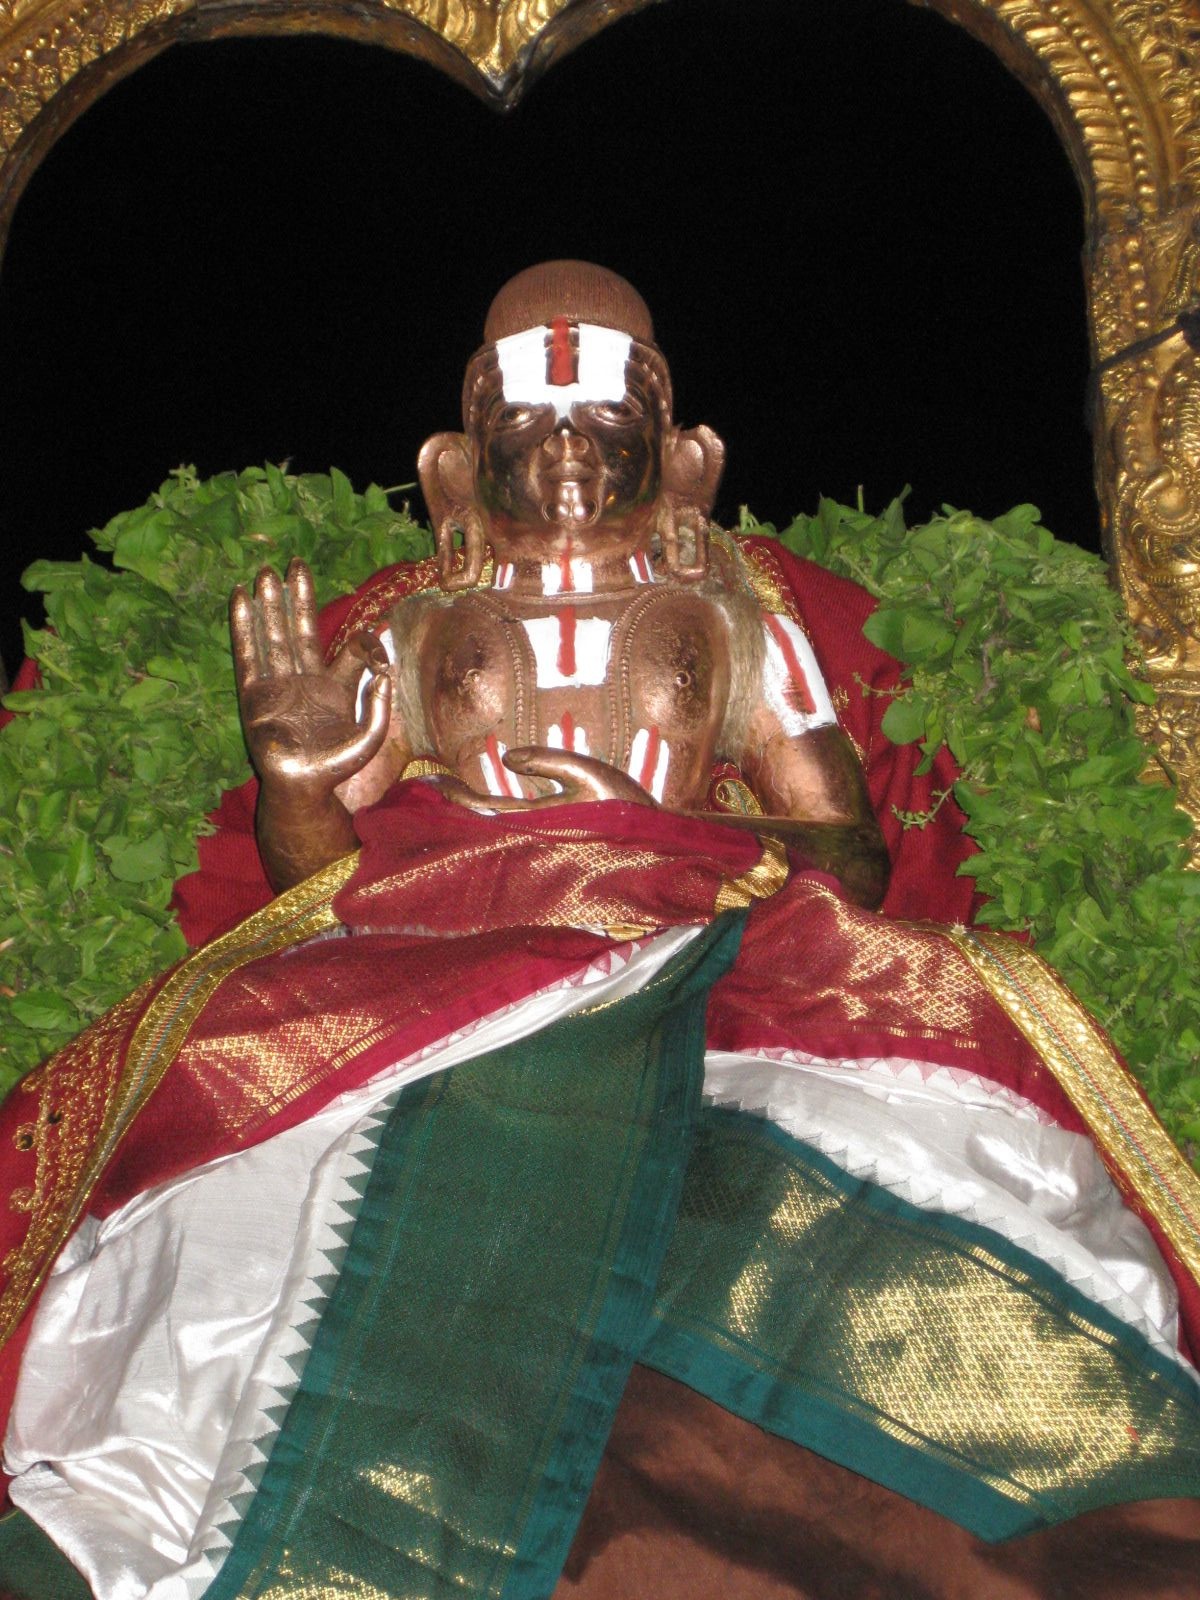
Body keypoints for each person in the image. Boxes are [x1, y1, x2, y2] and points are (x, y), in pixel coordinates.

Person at [0, 262, 1198, 1600]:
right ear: (456, 465)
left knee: (882, 1106)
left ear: (683, 457)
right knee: (237, 1181)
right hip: (436, 970)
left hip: (705, 962)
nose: (567, 453)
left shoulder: (735, 619)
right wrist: (295, 785)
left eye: (603, 423)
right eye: (529, 426)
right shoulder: (414, 624)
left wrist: (645, 832)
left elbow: (851, 857)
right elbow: (317, 888)